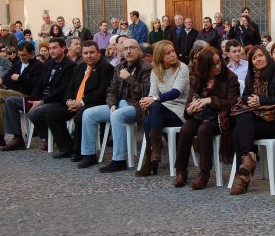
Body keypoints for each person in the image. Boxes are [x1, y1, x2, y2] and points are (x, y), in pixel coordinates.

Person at [229, 45, 275, 194]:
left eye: (260, 55)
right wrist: (251, 100)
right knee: (243, 119)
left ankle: (242, 178)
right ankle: (249, 158)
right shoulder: (252, 75)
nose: (257, 59)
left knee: (239, 130)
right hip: (255, 120)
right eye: (253, 58)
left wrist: (262, 100)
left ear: (267, 55)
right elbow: (245, 95)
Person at [78, 39, 152, 170]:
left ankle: (119, 160)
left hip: (136, 106)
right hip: (117, 104)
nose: (128, 51)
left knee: (117, 116)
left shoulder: (147, 67)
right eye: (125, 49)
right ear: (121, 51)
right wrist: (111, 103)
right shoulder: (119, 67)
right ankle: (89, 155)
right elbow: (111, 90)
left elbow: (145, 91)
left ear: (138, 50)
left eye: (132, 48)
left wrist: (129, 78)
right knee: (88, 114)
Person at [173, 46, 240, 189]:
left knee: (204, 130)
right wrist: (190, 109)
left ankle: (204, 172)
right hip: (199, 116)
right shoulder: (198, 78)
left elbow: (233, 103)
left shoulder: (230, 78)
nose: (218, 66)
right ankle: (181, 170)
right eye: (213, 64)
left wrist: (210, 100)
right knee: (186, 129)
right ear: (205, 66)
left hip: (220, 118)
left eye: (219, 62)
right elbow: (189, 100)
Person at [45, 41, 114, 161]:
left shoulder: (106, 68)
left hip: (94, 103)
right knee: (52, 113)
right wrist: (68, 101)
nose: (89, 56)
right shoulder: (79, 68)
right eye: (85, 53)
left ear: (98, 53)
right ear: (82, 54)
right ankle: (67, 148)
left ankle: (80, 152)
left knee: (81, 114)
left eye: (92, 52)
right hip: (75, 103)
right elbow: (70, 87)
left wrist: (81, 103)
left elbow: (101, 91)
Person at [137, 40, 190, 176]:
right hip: (161, 111)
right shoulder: (155, 71)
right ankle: (154, 154)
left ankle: (152, 157)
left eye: (173, 51)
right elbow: (152, 94)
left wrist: (153, 100)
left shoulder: (182, 68)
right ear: (160, 56)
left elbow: (176, 92)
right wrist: (146, 101)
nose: (173, 55)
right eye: (168, 53)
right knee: (150, 116)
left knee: (153, 111)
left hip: (180, 110)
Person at [26, 38, 75, 150]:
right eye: (50, 48)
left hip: (56, 100)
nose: (51, 51)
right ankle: (16, 137)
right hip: (42, 97)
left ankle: (48, 138)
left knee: (34, 113)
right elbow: (40, 84)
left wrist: (42, 101)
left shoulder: (69, 66)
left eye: (54, 48)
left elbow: (62, 90)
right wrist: (32, 97)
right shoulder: (48, 64)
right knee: (10, 102)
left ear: (63, 48)